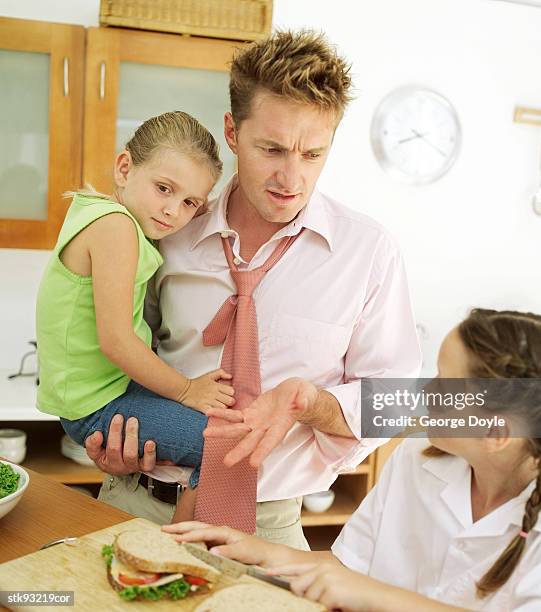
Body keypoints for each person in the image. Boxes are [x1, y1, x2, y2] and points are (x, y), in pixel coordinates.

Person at [85, 30, 422, 547]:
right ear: (232, 132)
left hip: (267, 526)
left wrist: (309, 403)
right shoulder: (167, 230)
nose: (292, 176)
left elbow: (395, 402)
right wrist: (106, 434)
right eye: (273, 149)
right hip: (134, 499)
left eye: (313, 154)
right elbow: (115, 351)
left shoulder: (369, 253)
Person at [163, 309, 541, 611]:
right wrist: (244, 548)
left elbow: (361, 589)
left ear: (496, 433)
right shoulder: (415, 459)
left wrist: (373, 596)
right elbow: (344, 571)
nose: (426, 391)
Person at [36, 111, 236, 522]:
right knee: (218, 446)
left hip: (102, 393)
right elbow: (116, 340)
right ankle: (179, 554)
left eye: (189, 202)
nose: (173, 211)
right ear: (125, 168)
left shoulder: (103, 214)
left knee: (218, 427)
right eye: (164, 188)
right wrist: (186, 390)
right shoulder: (116, 229)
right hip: (97, 404)